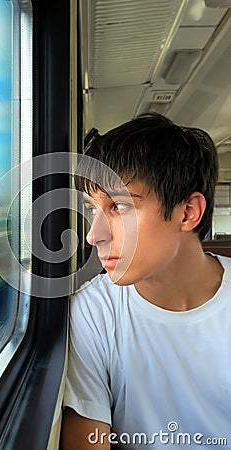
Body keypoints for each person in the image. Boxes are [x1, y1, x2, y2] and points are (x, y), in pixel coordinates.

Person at [61, 113, 231, 449]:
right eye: (92, 209)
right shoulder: (93, 312)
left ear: (187, 213)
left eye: (120, 207)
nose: (94, 236)